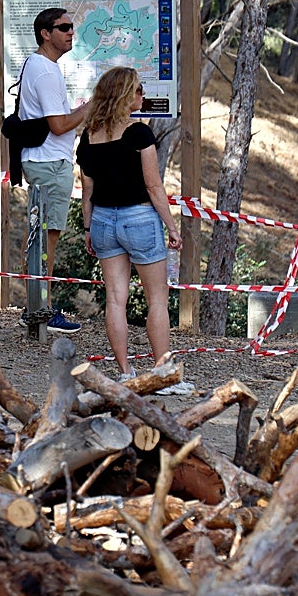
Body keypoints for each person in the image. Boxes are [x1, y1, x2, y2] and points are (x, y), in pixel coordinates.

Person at [77, 66, 194, 395]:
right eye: (138, 90)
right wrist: (172, 227)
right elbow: (154, 187)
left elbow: (87, 189)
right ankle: (162, 372)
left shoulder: (89, 136)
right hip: (140, 219)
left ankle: (126, 372)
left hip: (102, 220)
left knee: (116, 300)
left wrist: (88, 228)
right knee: (157, 299)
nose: (142, 95)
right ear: (124, 95)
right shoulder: (139, 133)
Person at [17, 7, 90, 334]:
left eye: (71, 27)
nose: (70, 32)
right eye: (63, 27)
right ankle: (40, 309)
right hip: (48, 163)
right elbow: (59, 125)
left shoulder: (40, 66)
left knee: (40, 238)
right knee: (47, 240)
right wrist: (88, 109)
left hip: (44, 161)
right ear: (46, 33)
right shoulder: (45, 71)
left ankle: (34, 306)